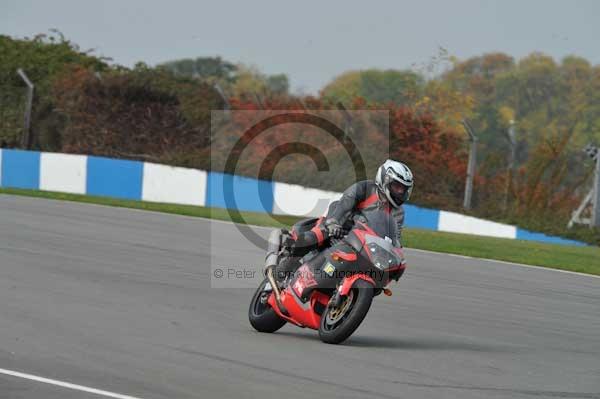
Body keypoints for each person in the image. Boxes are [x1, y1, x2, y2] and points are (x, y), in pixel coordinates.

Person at [275, 159, 413, 283]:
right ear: (385, 180)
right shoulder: (365, 189)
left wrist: (397, 256)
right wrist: (334, 222)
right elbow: (344, 205)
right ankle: (285, 267)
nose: (400, 192)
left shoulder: (399, 212)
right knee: (316, 235)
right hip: (339, 227)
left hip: (362, 244)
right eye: (397, 186)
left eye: (404, 189)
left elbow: (395, 237)